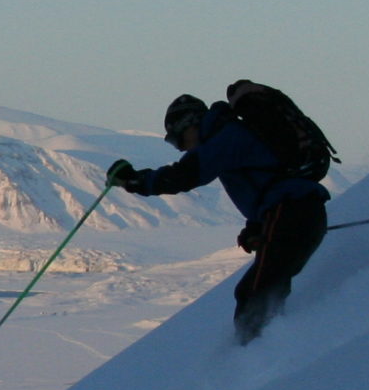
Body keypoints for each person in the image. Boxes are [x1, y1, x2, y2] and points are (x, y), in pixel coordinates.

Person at [108, 92, 329, 342]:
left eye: (177, 139)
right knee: (259, 291)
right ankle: (272, 353)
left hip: (292, 213)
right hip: (295, 214)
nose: (182, 147)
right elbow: (266, 183)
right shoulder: (230, 136)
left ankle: (260, 361)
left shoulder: (226, 138)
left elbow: (185, 174)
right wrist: (256, 226)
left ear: (190, 124)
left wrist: (134, 181)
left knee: (256, 294)